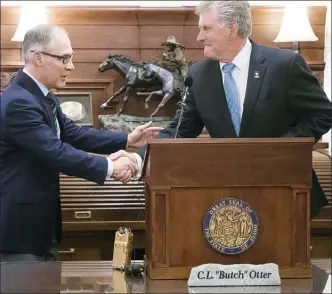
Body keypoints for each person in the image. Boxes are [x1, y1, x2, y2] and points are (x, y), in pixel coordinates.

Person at [115, 1, 332, 219]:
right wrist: (136, 159)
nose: (199, 37)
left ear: (232, 29)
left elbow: (323, 113)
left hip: (285, 190)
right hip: (226, 195)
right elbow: (179, 131)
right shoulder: (199, 74)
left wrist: (282, 147)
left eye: (206, 28)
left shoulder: (284, 65)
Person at [0, 24, 162, 262]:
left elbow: (74, 134)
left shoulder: (40, 96)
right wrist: (109, 167)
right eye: (64, 58)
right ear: (38, 57)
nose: (71, 66)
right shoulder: (19, 103)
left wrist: (127, 139)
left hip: (39, 229)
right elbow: (54, 152)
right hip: (19, 234)